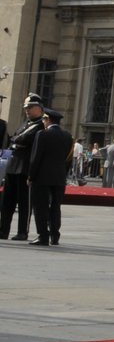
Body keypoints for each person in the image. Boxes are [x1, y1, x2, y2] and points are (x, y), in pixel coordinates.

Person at [2, 93, 45, 239]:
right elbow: (13, 139)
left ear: (39, 109)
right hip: (13, 166)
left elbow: (23, 140)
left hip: (25, 167)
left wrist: (16, 142)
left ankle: (22, 231)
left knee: (24, 203)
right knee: (7, 201)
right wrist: (16, 141)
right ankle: (3, 230)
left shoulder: (40, 125)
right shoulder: (25, 123)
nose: (27, 110)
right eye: (26, 107)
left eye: (31, 107)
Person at [28, 107, 72, 247]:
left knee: (40, 206)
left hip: (42, 177)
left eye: (44, 119)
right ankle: (55, 235)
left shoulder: (42, 134)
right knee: (55, 206)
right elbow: (68, 159)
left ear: (47, 120)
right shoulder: (67, 136)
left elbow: (36, 158)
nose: (43, 122)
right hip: (59, 177)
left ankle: (43, 236)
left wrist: (31, 175)